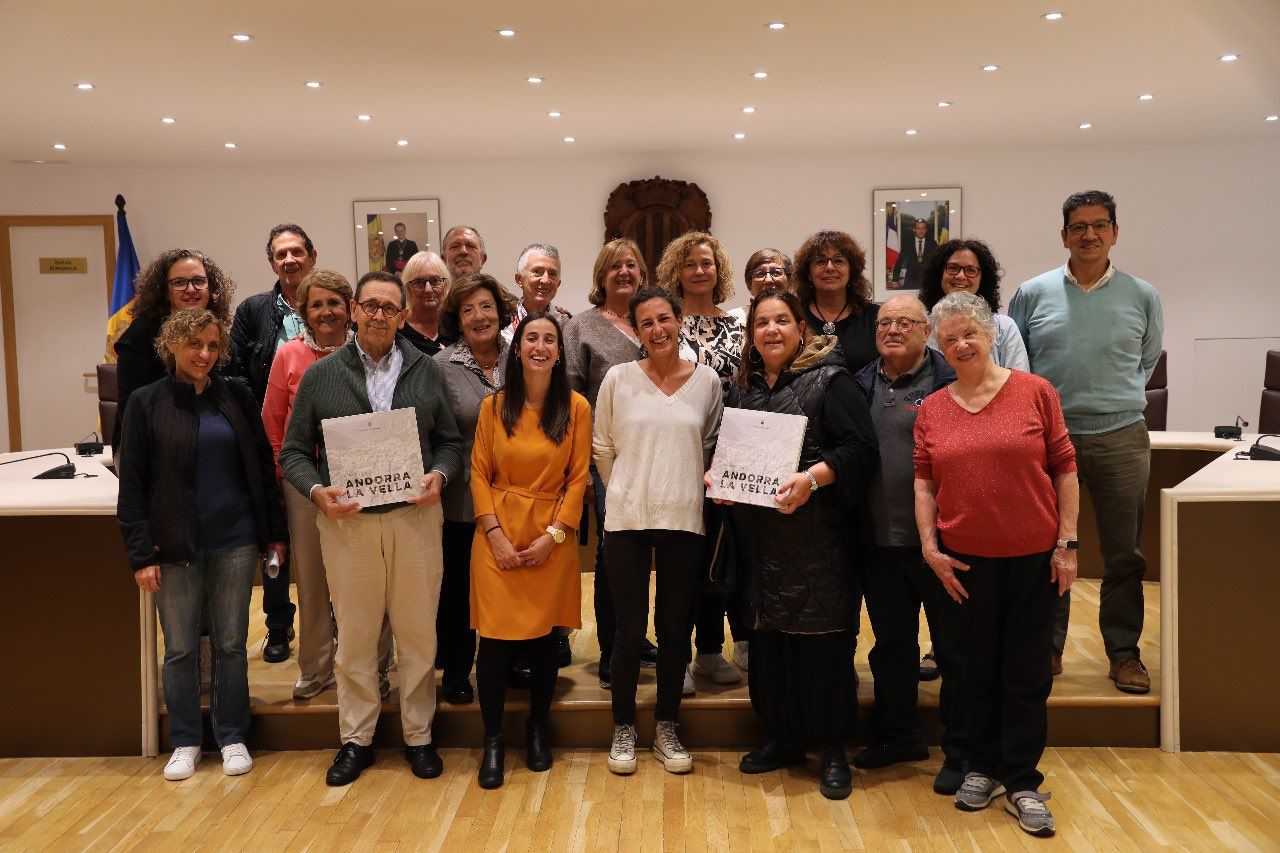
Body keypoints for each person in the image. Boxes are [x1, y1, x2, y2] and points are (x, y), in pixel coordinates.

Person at [279, 270, 464, 787]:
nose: (380, 315)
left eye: (391, 307)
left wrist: (440, 474)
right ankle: (356, 740)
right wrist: (317, 491)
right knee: (357, 639)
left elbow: (450, 442)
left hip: (416, 519)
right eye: (372, 306)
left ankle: (419, 736)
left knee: (417, 635)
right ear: (356, 310)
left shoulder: (427, 372)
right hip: (349, 525)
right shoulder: (321, 375)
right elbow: (293, 451)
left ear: (403, 316)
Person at [914, 291, 1078, 837]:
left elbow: (1065, 468)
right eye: (950, 338)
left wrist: (1068, 544)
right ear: (939, 346)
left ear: (990, 336)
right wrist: (929, 547)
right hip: (964, 563)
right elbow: (924, 482)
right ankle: (982, 767)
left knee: (1026, 672)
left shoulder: (1035, 392)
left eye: (970, 334)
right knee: (973, 669)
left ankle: (1023, 779)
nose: (961, 345)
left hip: (1034, 558)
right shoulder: (933, 408)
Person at [116, 309, 287, 782]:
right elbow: (131, 488)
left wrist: (274, 533)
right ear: (171, 345)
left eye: (213, 347)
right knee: (181, 648)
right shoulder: (145, 403)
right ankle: (187, 740)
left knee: (232, 644)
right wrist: (141, 554)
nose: (205, 355)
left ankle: (232, 736)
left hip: (234, 540)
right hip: (173, 548)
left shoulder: (235, 394)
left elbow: (260, 465)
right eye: (195, 345)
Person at [722, 289, 877, 800]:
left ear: (801, 330)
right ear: (752, 334)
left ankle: (832, 746)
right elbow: (731, 453)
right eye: (761, 322)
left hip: (820, 541)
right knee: (769, 645)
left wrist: (813, 478)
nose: (771, 330)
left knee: (823, 645)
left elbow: (861, 451)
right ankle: (784, 738)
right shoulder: (742, 390)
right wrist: (721, 480)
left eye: (781, 321)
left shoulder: (831, 382)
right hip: (758, 542)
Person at [1009, 190, 1163, 694]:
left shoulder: (1143, 295)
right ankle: (1047, 650)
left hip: (1121, 438)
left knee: (1124, 555)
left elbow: (1146, 359)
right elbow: (1018, 367)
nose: (1090, 235)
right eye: (1079, 226)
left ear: (1115, 232)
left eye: (1100, 225)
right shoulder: (1033, 293)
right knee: (1048, 549)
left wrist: (1111, 399)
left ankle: (1123, 654)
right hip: (1051, 440)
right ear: (1064, 235)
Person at [593, 287, 723, 777]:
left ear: (679, 321)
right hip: (626, 518)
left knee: (674, 631)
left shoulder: (707, 381)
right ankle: (623, 725)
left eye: (664, 319)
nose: (657, 330)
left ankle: (667, 725)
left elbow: (707, 445)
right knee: (628, 632)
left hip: (685, 518)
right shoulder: (617, 378)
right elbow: (602, 445)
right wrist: (624, 490)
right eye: (646, 323)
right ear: (637, 330)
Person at [850, 294, 967, 795]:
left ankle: (963, 750)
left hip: (946, 544)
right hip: (880, 542)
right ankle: (900, 736)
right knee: (892, 647)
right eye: (884, 323)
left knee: (955, 650)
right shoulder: (859, 385)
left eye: (905, 322)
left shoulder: (952, 383)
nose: (892, 330)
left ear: (928, 331)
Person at [470, 312, 591, 789]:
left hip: (550, 537)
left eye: (550, 340)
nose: (540, 346)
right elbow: (478, 472)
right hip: (495, 535)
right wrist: (495, 534)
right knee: (495, 644)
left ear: (559, 352)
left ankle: (538, 730)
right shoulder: (492, 406)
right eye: (531, 338)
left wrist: (554, 537)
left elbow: (579, 478)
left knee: (543, 643)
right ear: (516, 349)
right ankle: (494, 739)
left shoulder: (577, 407)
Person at [261, 269, 392, 701]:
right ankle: (317, 667)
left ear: (350, 308)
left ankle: (376, 665)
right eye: (316, 304)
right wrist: (295, 477)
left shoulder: (367, 355)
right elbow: (273, 423)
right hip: (307, 489)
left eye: (334, 302)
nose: (326, 312)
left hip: (365, 482)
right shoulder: (289, 357)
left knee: (371, 578)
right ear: (304, 312)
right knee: (314, 581)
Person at [563, 239, 658, 688]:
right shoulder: (581, 327)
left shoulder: (651, 321)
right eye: (615, 266)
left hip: (657, 456)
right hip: (607, 460)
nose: (624, 272)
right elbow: (572, 400)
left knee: (647, 551)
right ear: (601, 275)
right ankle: (612, 648)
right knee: (613, 554)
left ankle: (637, 639)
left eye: (632, 265)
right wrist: (579, 468)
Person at [654, 230, 744, 688]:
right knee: (681, 557)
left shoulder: (739, 320)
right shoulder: (667, 322)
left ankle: (710, 650)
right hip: (682, 453)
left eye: (707, 262)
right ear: (676, 271)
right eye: (689, 264)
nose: (699, 271)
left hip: (731, 456)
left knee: (717, 555)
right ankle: (678, 658)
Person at [229, 223, 318, 663]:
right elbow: (237, 372)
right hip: (269, 436)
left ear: (312, 257)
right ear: (271, 262)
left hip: (326, 447)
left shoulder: (326, 303)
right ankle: (279, 625)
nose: (290, 260)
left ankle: (331, 620)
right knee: (275, 536)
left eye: (297, 252)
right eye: (281, 254)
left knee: (328, 541)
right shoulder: (253, 310)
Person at [433, 273, 511, 705]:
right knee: (459, 589)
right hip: (462, 499)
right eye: (468, 310)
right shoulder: (441, 367)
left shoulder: (521, 358)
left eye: (486, 306)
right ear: (456, 320)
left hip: (517, 496)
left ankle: (511, 661)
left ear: (500, 312)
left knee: (510, 583)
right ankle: (458, 669)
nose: (479, 317)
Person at [111, 248, 235, 451]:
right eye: (179, 283)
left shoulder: (219, 332)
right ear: (164, 291)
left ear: (210, 287)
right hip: (149, 446)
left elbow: (231, 399)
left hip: (210, 439)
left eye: (198, 281)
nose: (191, 289)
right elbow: (130, 410)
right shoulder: (140, 334)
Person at [919, 238, 1028, 372]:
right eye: (953, 268)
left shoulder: (1003, 327)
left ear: (983, 278)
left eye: (970, 270)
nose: (960, 276)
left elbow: (1020, 385)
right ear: (938, 274)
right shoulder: (922, 329)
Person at [794, 230, 880, 374]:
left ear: (851, 270)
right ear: (808, 273)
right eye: (821, 261)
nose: (829, 267)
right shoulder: (794, 317)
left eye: (838, 261)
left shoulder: (875, 317)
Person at [502, 243, 573, 344]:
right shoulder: (502, 321)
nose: (545, 280)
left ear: (558, 283)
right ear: (519, 279)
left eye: (552, 274)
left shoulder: (568, 326)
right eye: (537, 271)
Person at [399, 251, 456, 356]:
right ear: (408, 288)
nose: (428, 289)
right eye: (419, 282)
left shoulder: (456, 325)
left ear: (445, 284)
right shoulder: (398, 331)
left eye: (435, 280)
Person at [892, 218, 938, 290]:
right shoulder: (907, 243)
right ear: (914, 229)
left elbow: (937, 263)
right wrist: (894, 280)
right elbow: (899, 262)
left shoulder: (933, 244)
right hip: (910, 282)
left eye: (923, 228)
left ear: (926, 230)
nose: (921, 231)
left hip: (927, 282)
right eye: (918, 228)